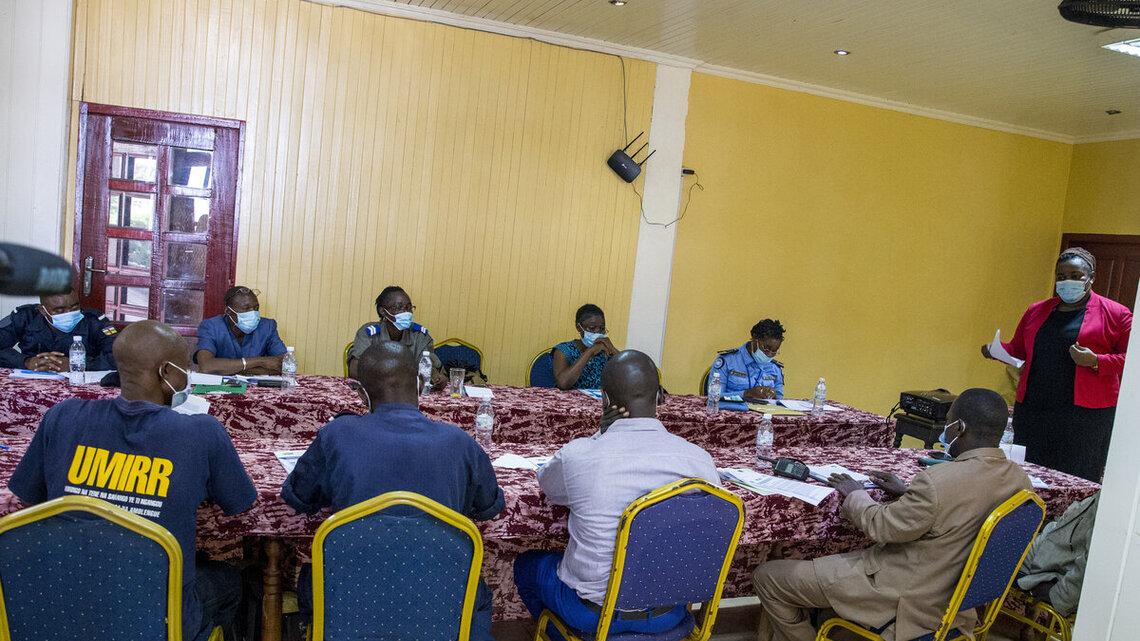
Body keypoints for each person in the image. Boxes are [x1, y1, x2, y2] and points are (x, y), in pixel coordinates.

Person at [8, 320, 256, 641]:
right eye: (185, 368)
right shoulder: (202, 432)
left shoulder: (63, 416)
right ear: (167, 373)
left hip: (59, 602)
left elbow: (29, 499)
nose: (188, 376)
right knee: (232, 582)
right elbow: (240, 504)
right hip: (157, 615)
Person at [753, 388, 1031, 641]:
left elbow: (882, 526)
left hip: (905, 595)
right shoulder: (1020, 480)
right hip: (955, 600)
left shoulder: (938, 481)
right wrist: (908, 493)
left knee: (768, 577)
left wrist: (855, 493)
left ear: (959, 427)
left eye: (948, 422)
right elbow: (958, 508)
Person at [281, 342, 504, 640]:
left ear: (361, 394)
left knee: (309, 578)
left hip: (353, 599)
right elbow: (489, 506)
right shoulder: (460, 442)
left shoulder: (337, 434)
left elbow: (298, 496)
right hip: (436, 597)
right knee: (479, 595)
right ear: (420, 383)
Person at [514, 350, 721, 637]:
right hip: (669, 612)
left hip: (593, 613)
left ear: (605, 400)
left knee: (527, 565)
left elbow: (547, 485)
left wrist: (600, 435)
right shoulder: (700, 460)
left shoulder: (581, 456)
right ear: (659, 396)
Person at [982, 247, 1131, 482]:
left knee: (1076, 478)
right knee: (1029, 475)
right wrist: (996, 351)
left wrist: (1096, 361)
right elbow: (1018, 350)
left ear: (1091, 277)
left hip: (1084, 417)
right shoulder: (1037, 310)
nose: (1067, 281)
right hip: (1034, 410)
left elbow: (1132, 361)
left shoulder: (1116, 314)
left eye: (1075, 276)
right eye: (1061, 276)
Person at [1016, 491, 1098, 617]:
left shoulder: (1113, 505)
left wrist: (1058, 597)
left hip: (1043, 564)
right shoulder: (1111, 496)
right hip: (1049, 545)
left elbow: (1091, 565)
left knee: (994, 538)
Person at [0, 289, 118, 371]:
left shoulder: (95, 321)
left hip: (80, 384)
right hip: (32, 380)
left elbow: (118, 357)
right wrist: (27, 362)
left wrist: (77, 365)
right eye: (60, 310)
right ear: (42, 310)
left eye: (75, 307)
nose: (69, 313)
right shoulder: (25, 317)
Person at [348, 285, 443, 385]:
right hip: (376, 389)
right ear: (383, 311)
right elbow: (354, 369)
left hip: (411, 391)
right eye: (398, 307)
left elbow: (429, 368)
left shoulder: (419, 336)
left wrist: (438, 378)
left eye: (408, 307)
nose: (405, 312)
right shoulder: (369, 334)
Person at [194, 285, 288, 375]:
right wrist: (261, 361)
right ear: (229, 311)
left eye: (256, 308)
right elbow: (206, 366)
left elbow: (285, 365)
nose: (253, 313)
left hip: (257, 385)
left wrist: (231, 368)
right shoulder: (211, 326)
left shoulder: (267, 326)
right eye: (246, 308)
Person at [710, 319, 785, 400]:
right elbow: (713, 396)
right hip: (732, 408)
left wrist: (773, 395)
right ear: (754, 338)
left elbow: (779, 399)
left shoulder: (775, 368)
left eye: (774, 351)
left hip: (765, 408)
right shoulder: (727, 361)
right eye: (766, 348)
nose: (769, 354)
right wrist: (746, 394)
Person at [553, 304, 618, 390]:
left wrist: (613, 349)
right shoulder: (564, 350)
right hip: (572, 398)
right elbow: (563, 384)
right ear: (579, 327)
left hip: (601, 397)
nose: (597, 333)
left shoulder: (605, 350)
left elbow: (632, 375)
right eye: (592, 328)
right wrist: (590, 351)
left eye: (602, 329)